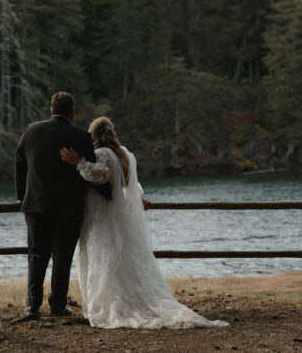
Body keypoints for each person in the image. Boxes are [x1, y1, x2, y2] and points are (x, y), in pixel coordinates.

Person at [59, 117, 228, 329]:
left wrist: (79, 163)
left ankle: (113, 303)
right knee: (121, 259)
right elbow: (129, 184)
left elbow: (101, 175)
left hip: (103, 214)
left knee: (105, 258)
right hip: (120, 216)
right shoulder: (125, 153)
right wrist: (138, 199)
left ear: (94, 136)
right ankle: (124, 298)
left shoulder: (102, 153)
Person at [15, 92, 111, 320]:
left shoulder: (32, 130)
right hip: (68, 208)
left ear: (51, 109)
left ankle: (32, 306)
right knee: (62, 257)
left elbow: (20, 162)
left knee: (37, 256)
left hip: (36, 204)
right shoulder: (81, 137)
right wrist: (109, 194)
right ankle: (57, 305)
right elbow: (89, 171)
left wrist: (22, 194)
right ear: (72, 111)